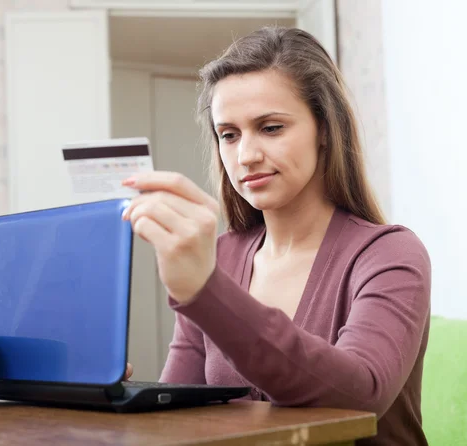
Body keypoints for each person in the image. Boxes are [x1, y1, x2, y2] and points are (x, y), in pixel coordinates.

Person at [120, 26, 431, 446]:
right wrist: (116, 395)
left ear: (324, 129)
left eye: (270, 128)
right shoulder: (219, 258)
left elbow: (361, 394)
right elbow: (179, 410)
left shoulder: (389, 253)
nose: (246, 155)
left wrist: (206, 293)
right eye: (228, 134)